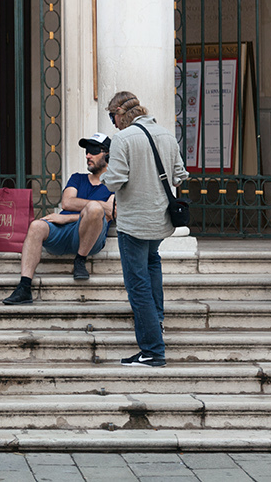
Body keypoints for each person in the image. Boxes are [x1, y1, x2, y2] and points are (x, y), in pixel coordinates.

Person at [105, 90, 188, 368]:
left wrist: (105, 172)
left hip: (134, 223)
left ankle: (152, 350)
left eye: (111, 116)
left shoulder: (122, 139)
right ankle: (158, 323)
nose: (113, 123)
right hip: (160, 220)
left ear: (119, 113)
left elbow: (115, 181)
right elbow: (180, 175)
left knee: (137, 285)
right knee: (153, 268)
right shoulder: (166, 134)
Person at [3, 133, 114, 305]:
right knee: (36, 226)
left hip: (92, 237)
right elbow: (67, 202)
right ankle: (24, 287)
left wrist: (67, 218)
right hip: (63, 234)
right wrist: (87, 211)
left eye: (92, 151)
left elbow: (108, 213)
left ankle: (80, 260)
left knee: (95, 209)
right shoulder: (78, 178)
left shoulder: (115, 184)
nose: (87, 155)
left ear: (107, 154)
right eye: (86, 151)